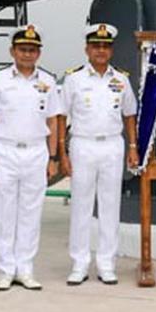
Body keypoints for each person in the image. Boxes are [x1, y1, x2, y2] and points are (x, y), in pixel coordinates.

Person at [0, 24, 62, 291]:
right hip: (4, 151)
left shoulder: (47, 81)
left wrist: (53, 158)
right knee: (3, 213)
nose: (27, 54)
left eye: (32, 50)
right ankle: (5, 269)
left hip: (36, 152)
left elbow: (54, 120)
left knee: (30, 212)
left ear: (39, 53)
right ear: (12, 51)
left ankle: (25, 269)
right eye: (23, 49)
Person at [60, 23, 138, 285]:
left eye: (105, 46)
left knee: (110, 206)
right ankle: (79, 263)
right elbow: (61, 116)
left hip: (112, 146)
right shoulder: (74, 79)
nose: (101, 51)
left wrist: (133, 148)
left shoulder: (121, 79)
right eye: (96, 46)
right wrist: (62, 152)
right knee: (81, 206)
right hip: (83, 144)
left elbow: (129, 115)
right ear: (87, 49)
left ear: (111, 50)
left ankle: (106, 263)